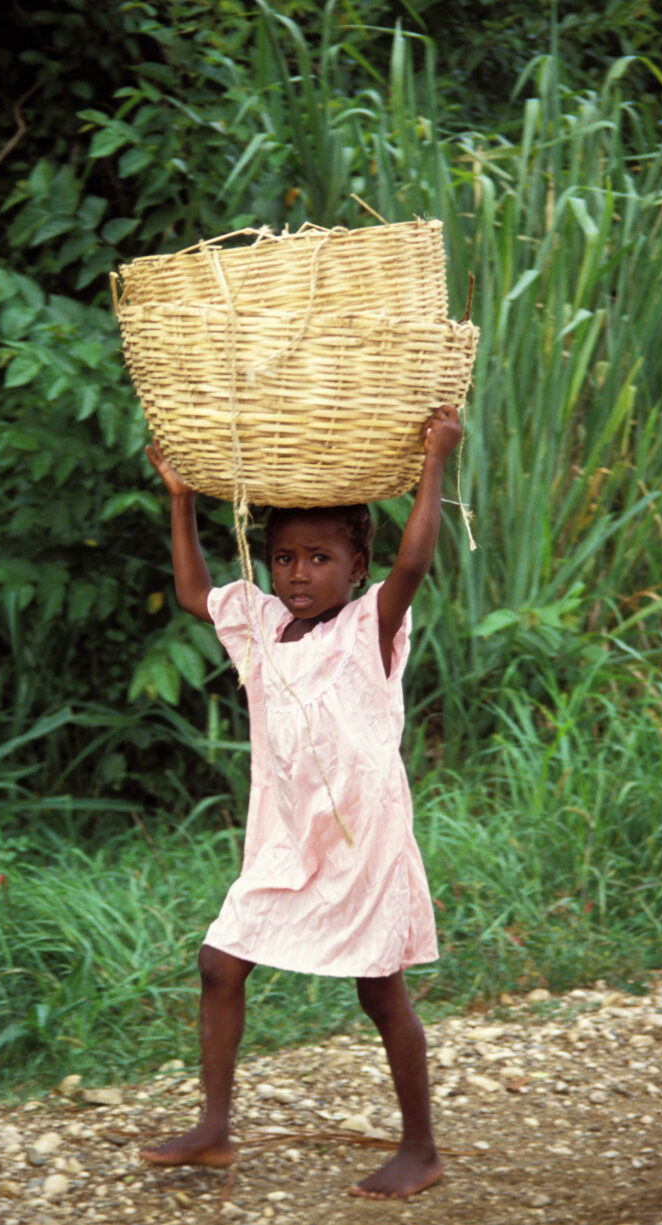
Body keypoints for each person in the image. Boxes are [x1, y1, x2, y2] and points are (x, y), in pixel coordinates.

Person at [141, 404, 462, 1201]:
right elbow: (191, 591)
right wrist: (181, 497)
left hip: (363, 839)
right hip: (285, 840)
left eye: (320, 557)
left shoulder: (369, 627)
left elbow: (417, 561)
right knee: (220, 961)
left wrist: (436, 461)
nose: (297, 573)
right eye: (284, 557)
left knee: (379, 990)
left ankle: (419, 1147)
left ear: (357, 568)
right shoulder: (259, 624)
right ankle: (214, 1129)